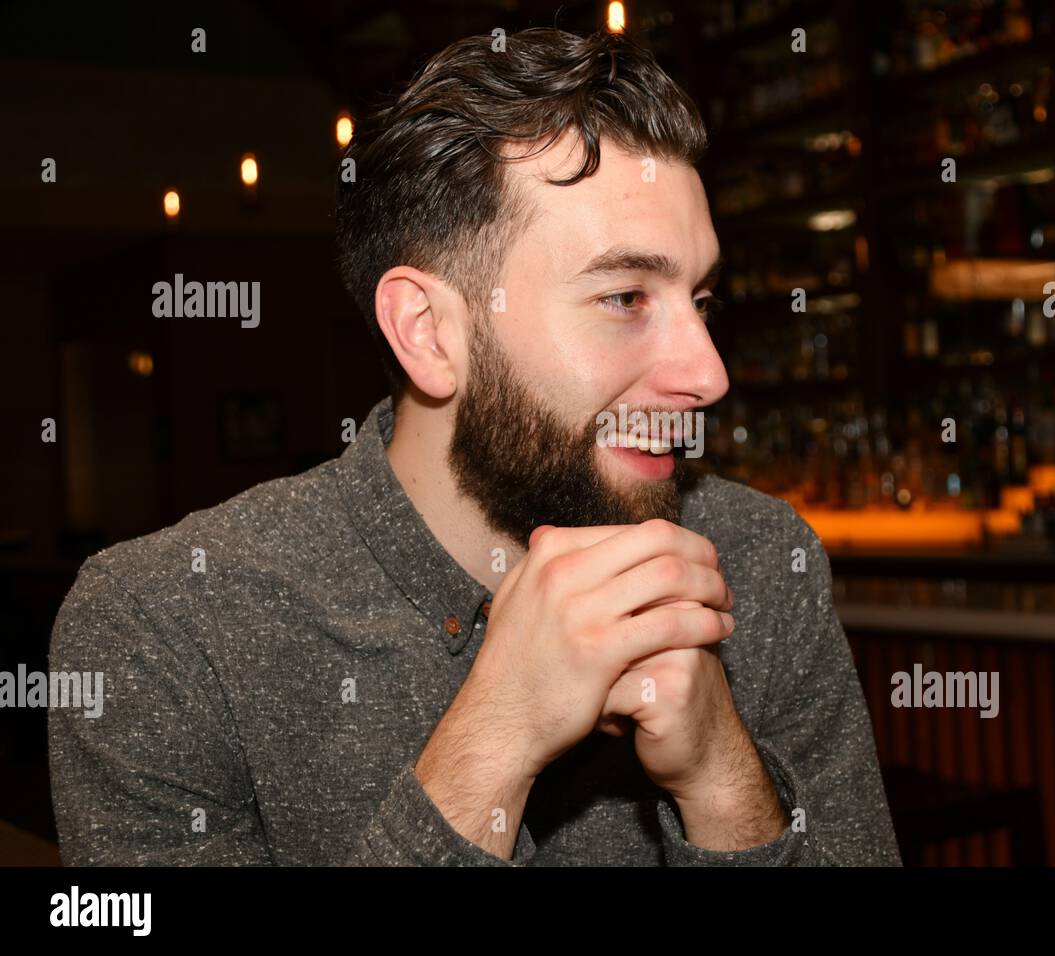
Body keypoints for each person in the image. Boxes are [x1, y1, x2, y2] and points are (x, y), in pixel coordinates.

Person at [47, 27, 900, 866]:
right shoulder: (162, 628)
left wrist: (721, 777)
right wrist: (496, 736)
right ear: (428, 333)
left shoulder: (758, 561)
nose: (707, 374)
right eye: (625, 297)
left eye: (701, 300)